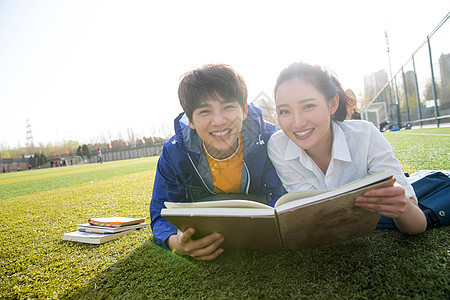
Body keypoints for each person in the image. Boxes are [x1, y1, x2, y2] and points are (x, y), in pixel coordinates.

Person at [267, 62, 426, 235]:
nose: (297, 123)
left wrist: (402, 208)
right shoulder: (278, 146)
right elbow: (315, 214)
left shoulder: (366, 136)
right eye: (284, 111)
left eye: (308, 106)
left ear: (333, 104)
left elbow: (418, 224)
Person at [150, 64, 285, 260]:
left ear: (244, 110)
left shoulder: (270, 140)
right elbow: (159, 212)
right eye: (205, 112)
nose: (219, 120)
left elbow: (282, 198)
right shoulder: (175, 153)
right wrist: (176, 244)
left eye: (228, 107)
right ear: (191, 120)